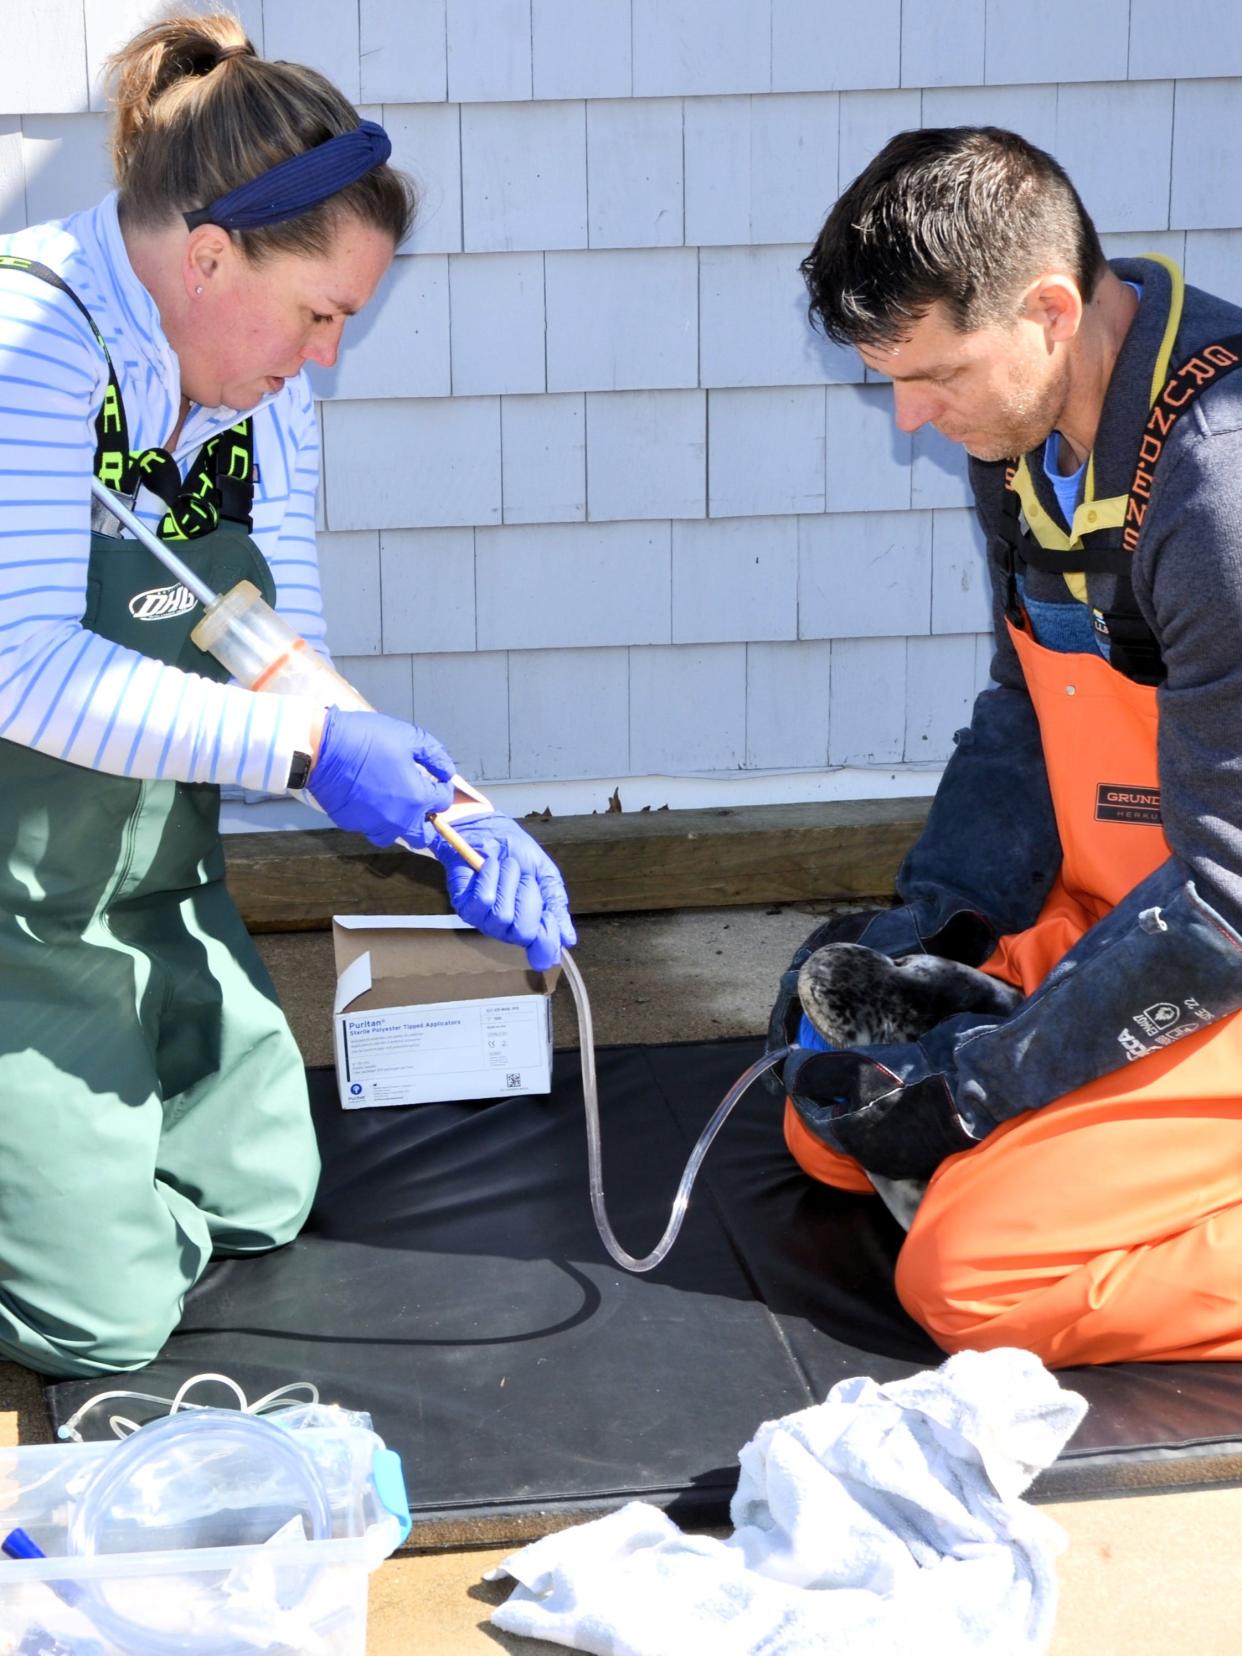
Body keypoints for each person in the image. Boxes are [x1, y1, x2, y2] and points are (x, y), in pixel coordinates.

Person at [0, 14, 574, 1379]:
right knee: (105, 1321)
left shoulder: (257, 386)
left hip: (143, 882)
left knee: (263, 1198)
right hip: (10, 912)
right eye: (320, 315)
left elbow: (263, 638)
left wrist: (452, 815)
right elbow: (19, 667)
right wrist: (313, 751)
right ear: (209, 254)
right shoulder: (30, 337)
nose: (323, 356)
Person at [769, 125, 1242, 1368]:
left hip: (1222, 937)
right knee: (828, 1115)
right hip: (1145, 910)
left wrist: (978, 1083)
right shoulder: (1022, 429)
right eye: (885, 378)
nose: (910, 417)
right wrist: (932, 932)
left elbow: (1225, 907)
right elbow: (1024, 709)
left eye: (933, 376)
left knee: (968, 1276)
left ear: (1047, 308)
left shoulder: (1217, 496)